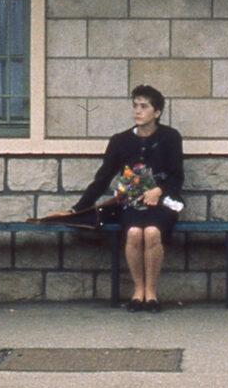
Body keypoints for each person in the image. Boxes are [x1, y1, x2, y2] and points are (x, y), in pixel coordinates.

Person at [54, 85, 184, 313]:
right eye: (135, 106)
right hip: (131, 204)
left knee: (152, 232)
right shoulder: (120, 141)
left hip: (161, 203)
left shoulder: (170, 137)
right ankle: (138, 292)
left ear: (157, 112)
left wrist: (159, 190)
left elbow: (177, 177)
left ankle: (151, 294)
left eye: (144, 107)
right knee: (133, 233)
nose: (137, 111)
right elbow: (102, 179)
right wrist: (77, 209)